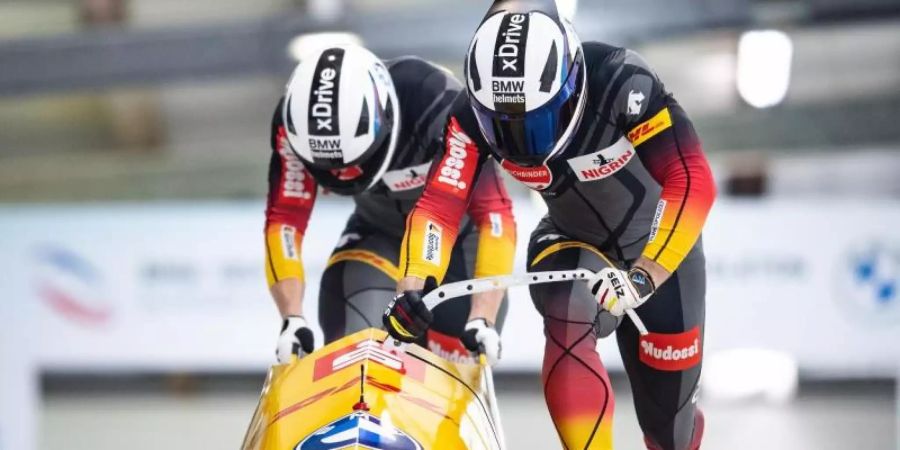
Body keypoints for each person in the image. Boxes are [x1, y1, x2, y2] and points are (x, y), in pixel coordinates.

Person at [383, 2, 715, 449]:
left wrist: (645, 273)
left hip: (660, 253)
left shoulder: (622, 82)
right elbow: (439, 205)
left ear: (571, 80)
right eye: (501, 124)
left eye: (535, 121)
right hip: (570, 239)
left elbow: (691, 178)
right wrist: (413, 285)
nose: (519, 142)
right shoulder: (467, 117)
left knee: (670, 431)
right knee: (567, 311)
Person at [265, 44, 515, 365]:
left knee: (456, 358)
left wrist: (483, 316)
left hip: (457, 244)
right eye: (329, 168)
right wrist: (292, 318)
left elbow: (495, 215)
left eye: (354, 162)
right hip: (375, 235)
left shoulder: (436, 103)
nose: (344, 174)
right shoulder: (289, 127)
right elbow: (285, 218)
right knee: (356, 356)